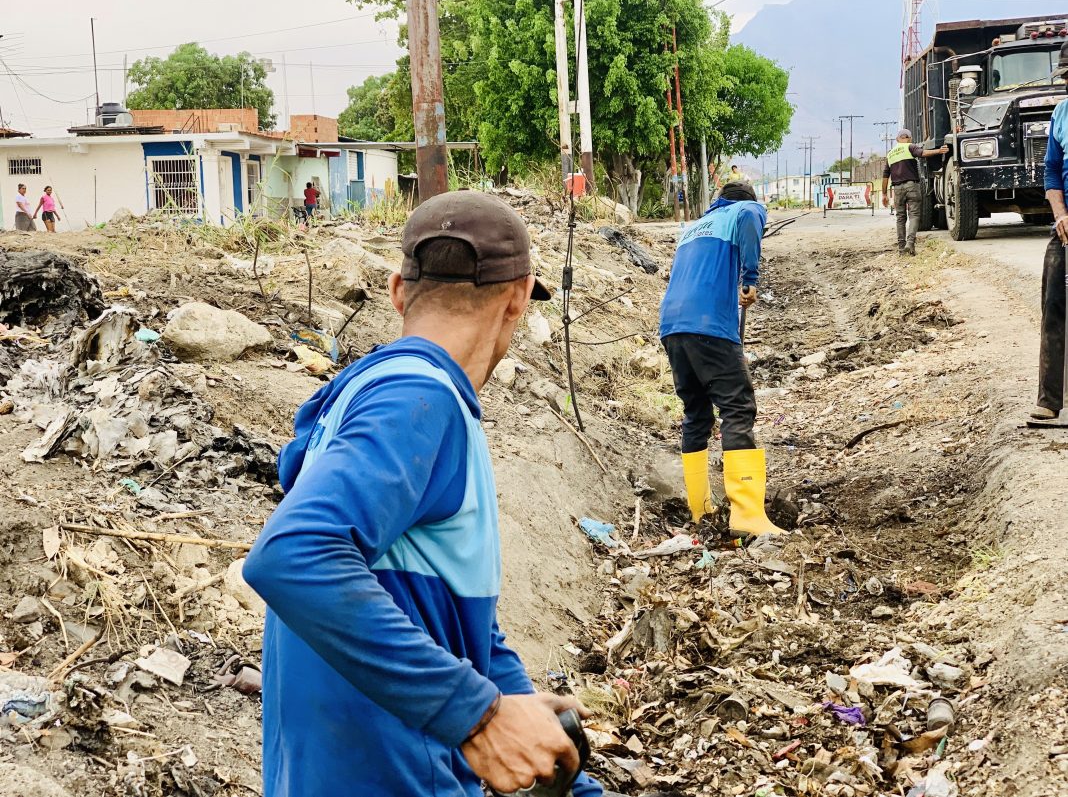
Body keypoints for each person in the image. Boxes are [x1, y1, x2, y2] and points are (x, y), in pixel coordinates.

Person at [243, 191, 605, 797]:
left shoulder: (364, 394)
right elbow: (292, 555)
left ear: (398, 291)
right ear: (518, 298)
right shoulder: (419, 401)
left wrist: (527, 727)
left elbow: (458, 624)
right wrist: (477, 716)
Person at [658, 181, 784, 538]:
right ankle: (746, 515)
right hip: (709, 324)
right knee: (737, 407)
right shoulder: (744, 210)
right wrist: (750, 278)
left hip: (672, 325)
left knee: (696, 412)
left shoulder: (694, 227)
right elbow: (751, 216)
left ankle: (700, 508)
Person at [1032, 41, 1068, 421]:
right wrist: (1060, 215)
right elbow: (1052, 170)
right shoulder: (1061, 113)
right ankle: (1049, 400)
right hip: (1066, 224)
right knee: (1054, 303)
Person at [880, 129, 948, 255]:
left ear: (897, 139)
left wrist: (884, 194)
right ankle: (910, 243)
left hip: (897, 189)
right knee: (914, 215)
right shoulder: (910, 147)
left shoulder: (890, 154)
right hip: (912, 186)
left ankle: (901, 249)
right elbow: (923, 153)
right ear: (910, 138)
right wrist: (939, 151)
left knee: (900, 218)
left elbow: (885, 176)